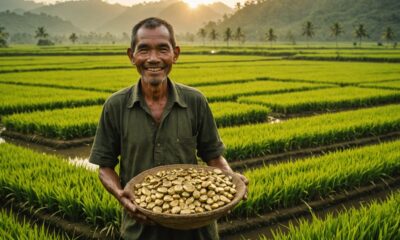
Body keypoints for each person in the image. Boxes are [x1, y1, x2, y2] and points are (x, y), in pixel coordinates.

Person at [89, 17, 248, 240]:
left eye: (162, 49)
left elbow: (213, 157)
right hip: (140, 231)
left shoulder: (195, 101)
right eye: (143, 49)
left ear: (175, 54)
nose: (153, 59)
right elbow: (105, 166)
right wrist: (120, 194)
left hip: (196, 230)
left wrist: (230, 179)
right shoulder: (115, 106)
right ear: (131, 55)